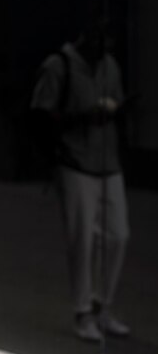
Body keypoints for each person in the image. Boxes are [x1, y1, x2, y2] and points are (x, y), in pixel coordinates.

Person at [31, 18, 130, 342]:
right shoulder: (60, 65)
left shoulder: (109, 66)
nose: (104, 49)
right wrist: (84, 117)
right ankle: (83, 310)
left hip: (107, 160)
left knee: (118, 235)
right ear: (86, 37)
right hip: (75, 161)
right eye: (100, 42)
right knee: (82, 240)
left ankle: (104, 306)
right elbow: (41, 115)